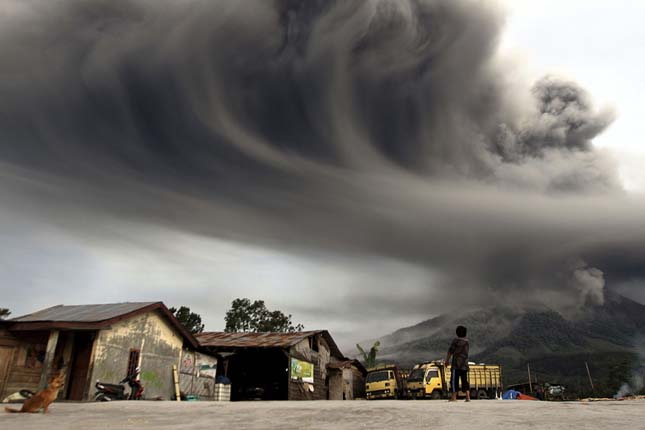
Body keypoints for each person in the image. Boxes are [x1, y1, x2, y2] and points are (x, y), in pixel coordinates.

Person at [445, 325, 470, 402]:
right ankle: (467, 397)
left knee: (454, 381)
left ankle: (454, 397)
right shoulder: (467, 342)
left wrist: (447, 360)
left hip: (456, 364)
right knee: (464, 380)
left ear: (457, 333)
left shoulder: (455, 341)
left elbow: (450, 351)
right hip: (465, 365)